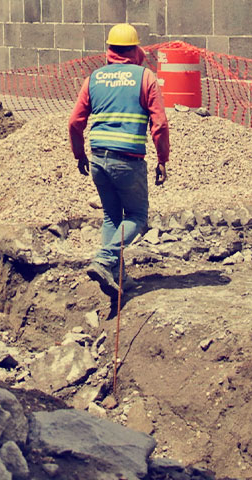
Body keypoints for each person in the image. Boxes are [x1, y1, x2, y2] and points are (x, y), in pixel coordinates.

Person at [69, 23, 169, 299]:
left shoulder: (94, 78)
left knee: (112, 216)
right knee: (137, 216)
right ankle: (104, 259)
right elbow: (160, 124)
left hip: (98, 160)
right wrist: (163, 159)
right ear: (136, 50)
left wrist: (79, 154)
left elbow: (75, 122)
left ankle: (117, 276)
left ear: (109, 50)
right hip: (128, 160)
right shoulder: (145, 77)